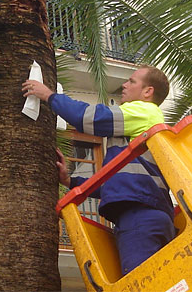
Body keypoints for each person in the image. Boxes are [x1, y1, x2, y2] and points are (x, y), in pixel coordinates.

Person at [22, 65, 175, 275]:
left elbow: (91, 117)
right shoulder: (142, 127)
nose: (124, 84)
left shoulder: (145, 112)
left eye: (131, 81)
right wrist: (70, 181)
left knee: (139, 284)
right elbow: (114, 182)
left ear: (148, 91)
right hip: (146, 214)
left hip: (140, 216)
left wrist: (49, 95)